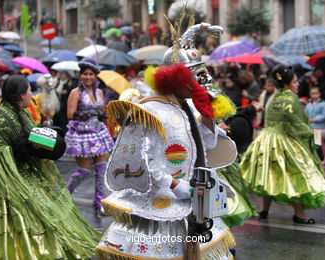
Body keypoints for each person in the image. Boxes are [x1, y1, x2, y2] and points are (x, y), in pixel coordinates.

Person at [96, 21, 237, 260]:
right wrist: (177, 186)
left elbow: (207, 145)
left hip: (192, 203)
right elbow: (144, 161)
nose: (196, 85)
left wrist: (209, 114)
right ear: (173, 79)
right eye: (191, 79)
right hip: (160, 205)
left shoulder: (187, 108)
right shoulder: (150, 111)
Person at [0, 75, 100, 259]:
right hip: (5, 178)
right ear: (21, 96)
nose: (32, 95)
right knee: (23, 213)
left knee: (45, 207)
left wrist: (42, 142)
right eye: (29, 91)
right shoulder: (2, 119)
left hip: (24, 170)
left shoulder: (22, 112)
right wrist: (23, 146)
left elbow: (31, 138)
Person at [240, 65, 325, 224]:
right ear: (287, 84)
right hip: (283, 141)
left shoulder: (274, 97)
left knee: (268, 175)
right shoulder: (291, 98)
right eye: (295, 82)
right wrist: (313, 135)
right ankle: (299, 214)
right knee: (294, 175)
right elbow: (297, 124)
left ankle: (264, 211)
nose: (298, 85)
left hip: (266, 140)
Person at [65, 61, 115, 214]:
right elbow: (69, 114)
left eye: (91, 74)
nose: (88, 77)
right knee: (83, 171)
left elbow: (102, 110)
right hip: (81, 134)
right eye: (85, 74)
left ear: (95, 76)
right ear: (80, 75)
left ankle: (99, 201)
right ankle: (65, 195)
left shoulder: (99, 92)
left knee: (101, 169)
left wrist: (105, 114)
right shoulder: (76, 93)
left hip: (98, 132)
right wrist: (86, 114)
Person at [305, 86, 325, 165]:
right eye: (312, 93)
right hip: (311, 127)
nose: (314, 95)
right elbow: (305, 113)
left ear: (319, 94)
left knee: (320, 143)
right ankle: (317, 158)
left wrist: (315, 119)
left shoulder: (323, 104)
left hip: (320, 127)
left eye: (316, 93)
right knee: (315, 144)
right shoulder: (309, 104)